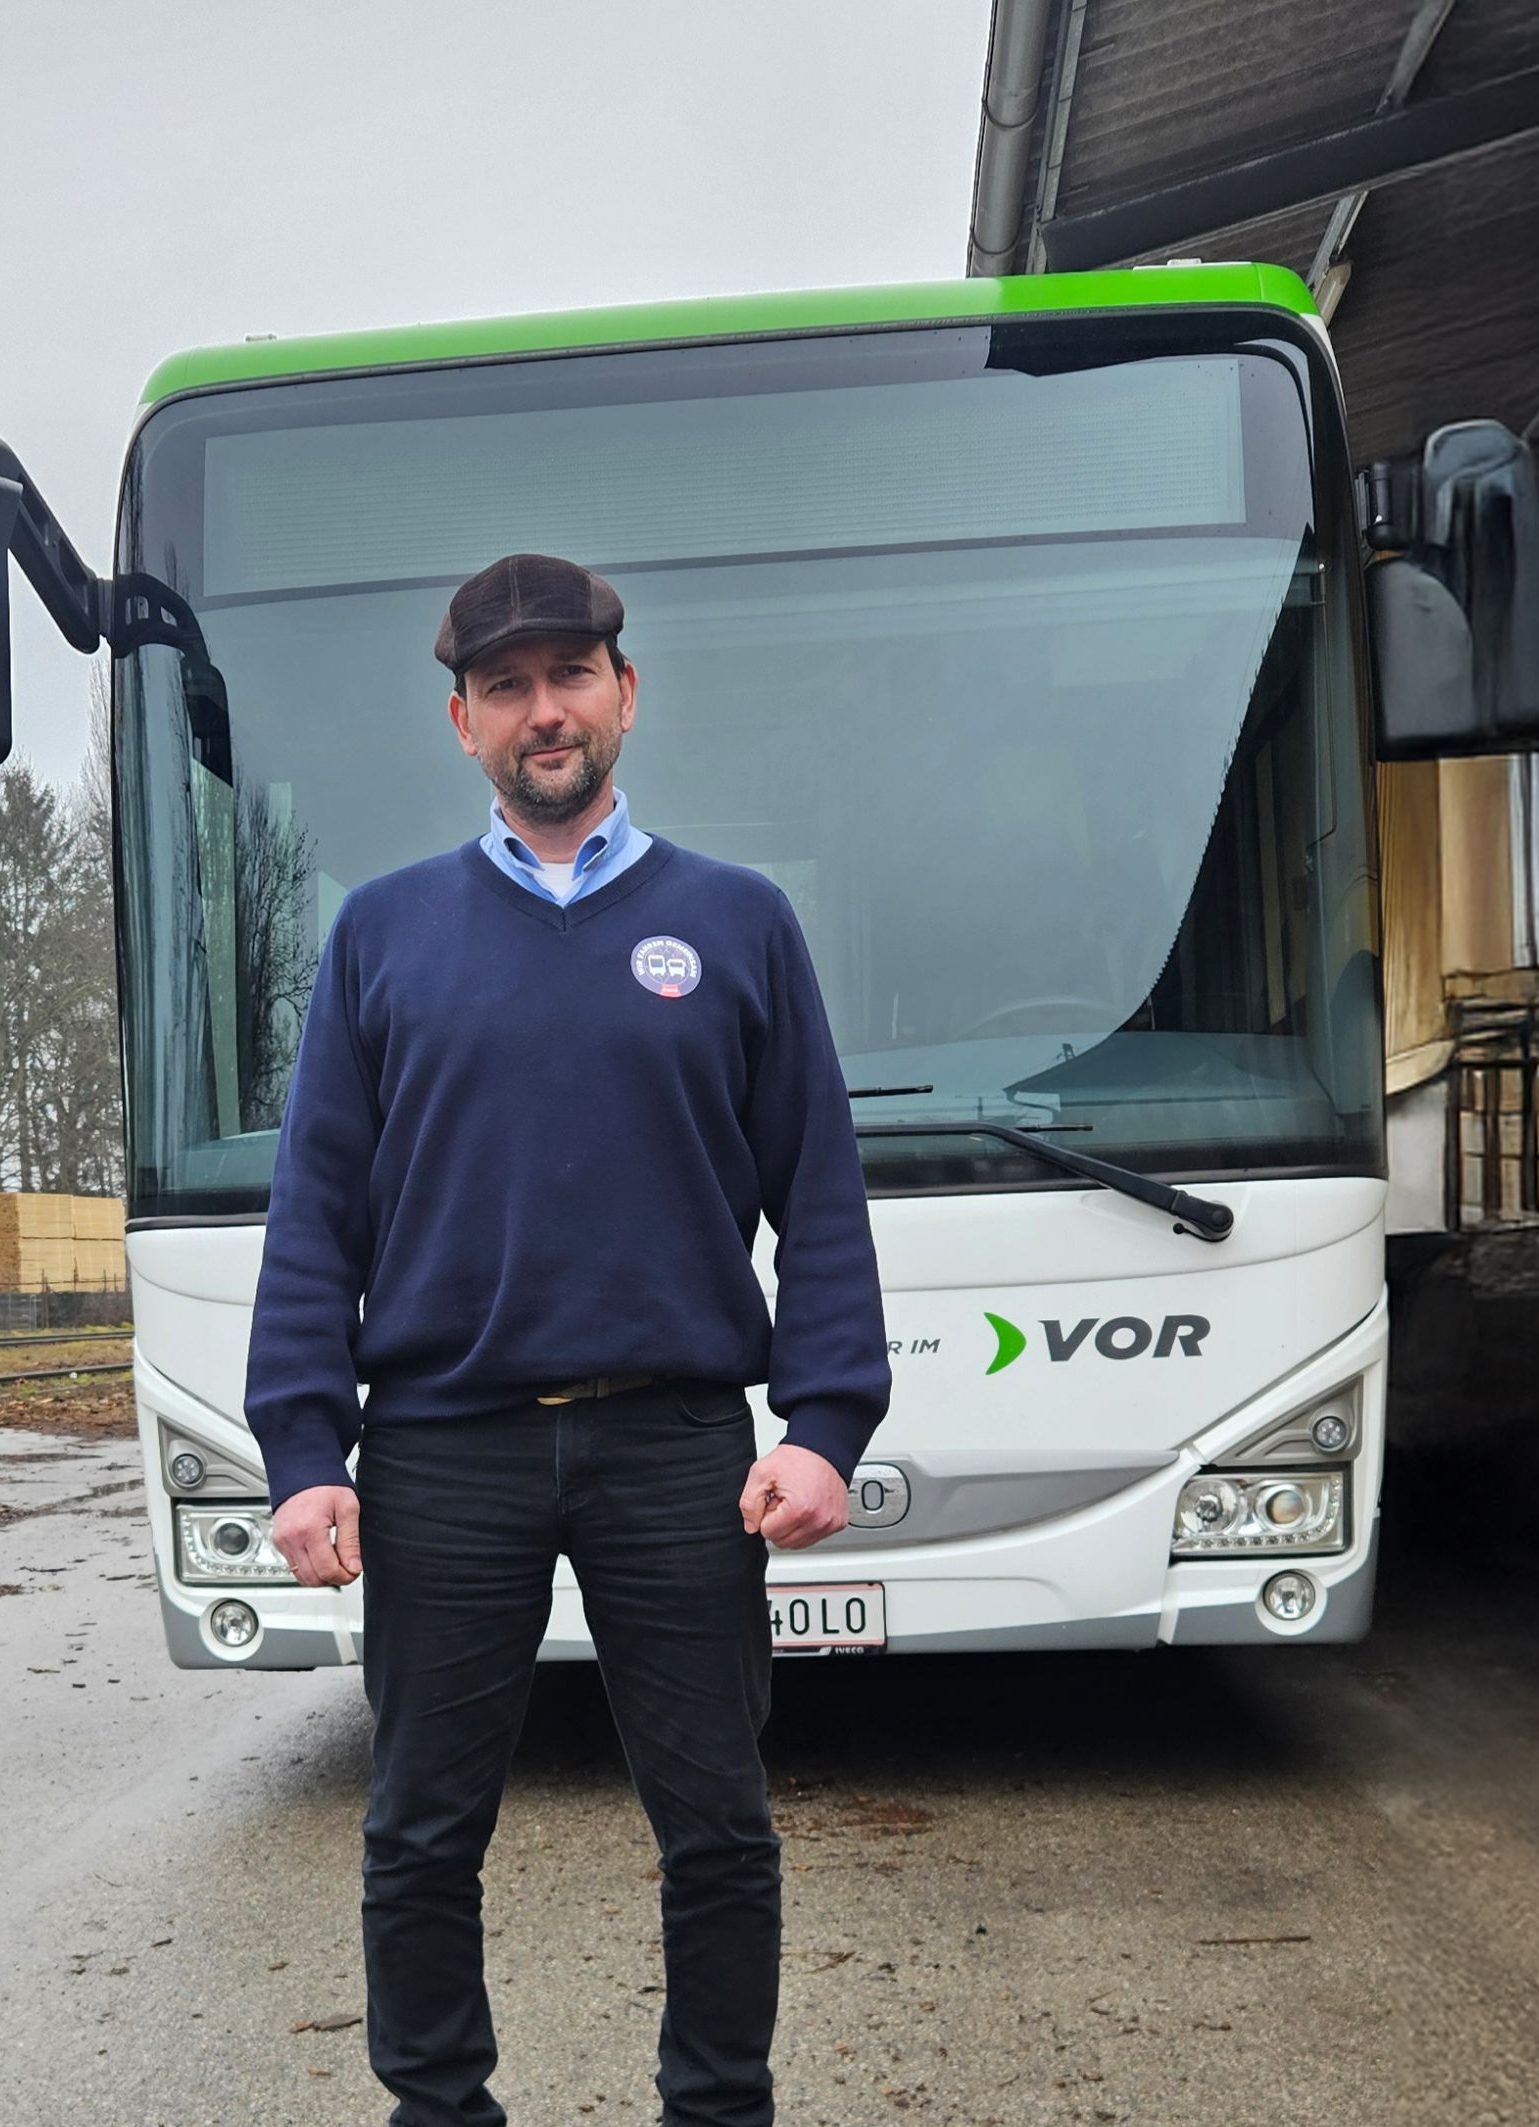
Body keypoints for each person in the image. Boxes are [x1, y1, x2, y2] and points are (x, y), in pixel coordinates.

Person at [244, 552, 891, 2127]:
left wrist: (821, 1423)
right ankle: (441, 2111)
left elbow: (818, 1194)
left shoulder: (738, 926)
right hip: (443, 1450)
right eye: (510, 687)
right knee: (418, 1830)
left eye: (573, 677)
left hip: (673, 1447)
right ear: (463, 721)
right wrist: (305, 1450)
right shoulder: (383, 938)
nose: (548, 712)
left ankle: (718, 2108)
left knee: (720, 1827)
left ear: (625, 693)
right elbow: (316, 1211)